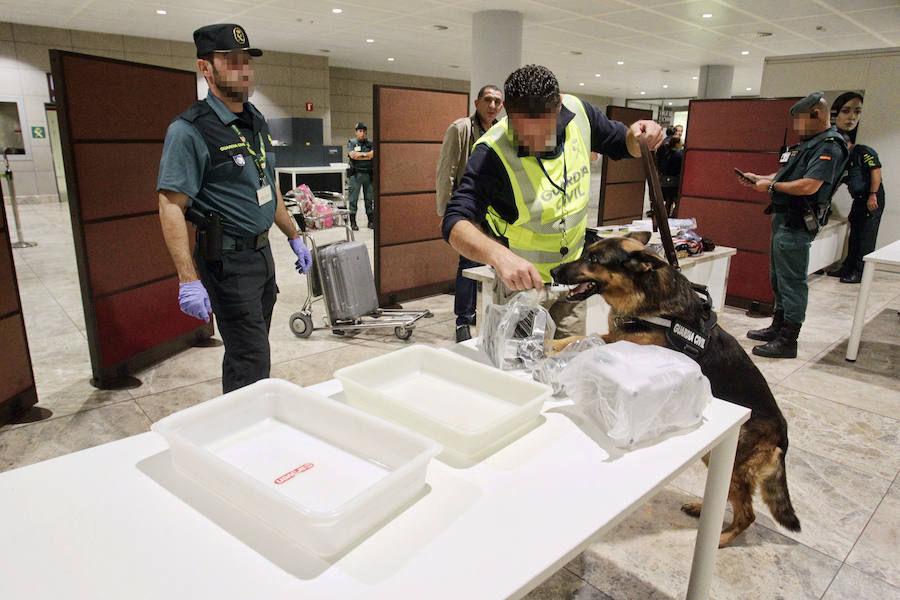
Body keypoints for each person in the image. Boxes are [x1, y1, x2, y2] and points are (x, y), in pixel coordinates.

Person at [442, 64, 663, 338]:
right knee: (518, 367)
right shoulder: (491, 153)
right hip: (520, 286)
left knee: (569, 362)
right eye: (523, 131)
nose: (534, 141)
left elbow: (622, 142)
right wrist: (499, 256)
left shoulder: (580, 113)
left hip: (572, 277)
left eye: (542, 128)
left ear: (558, 105)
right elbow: (454, 221)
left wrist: (640, 136)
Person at [157, 24, 312, 393]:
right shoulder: (190, 130)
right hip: (227, 263)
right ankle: (249, 436)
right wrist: (188, 278)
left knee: (248, 355)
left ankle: (239, 419)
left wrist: (293, 236)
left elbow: (267, 184)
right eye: (231, 61)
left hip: (261, 257)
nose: (243, 69)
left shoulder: (255, 120)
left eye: (247, 61)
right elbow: (170, 205)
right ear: (205, 68)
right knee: (252, 359)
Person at [738, 91, 848, 359]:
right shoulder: (809, 144)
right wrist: (761, 178)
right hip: (783, 218)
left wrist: (771, 186)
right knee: (778, 276)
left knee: (792, 280)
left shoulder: (829, 146)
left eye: (800, 120)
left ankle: (788, 340)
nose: (797, 126)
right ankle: (778, 326)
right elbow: (786, 174)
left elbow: (810, 185)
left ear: (817, 115)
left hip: (798, 221)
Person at [436, 84, 504, 342]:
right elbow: (447, 171)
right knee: (468, 262)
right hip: (469, 207)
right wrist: (447, 212)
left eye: (497, 101)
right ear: (477, 103)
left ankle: (492, 317)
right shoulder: (461, 129)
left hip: (495, 209)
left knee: (495, 263)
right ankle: (463, 319)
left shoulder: (501, 131)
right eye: (488, 100)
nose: (493, 105)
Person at [827, 92, 884, 284]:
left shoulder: (862, 151)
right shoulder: (845, 156)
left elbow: (876, 171)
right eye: (846, 111)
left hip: (871, 198)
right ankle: (847, 266)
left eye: (857, 112)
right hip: (859, 200)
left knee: (866, 236)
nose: (852, 117)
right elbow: (839, 180)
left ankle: (859, 272)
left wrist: (873, 195)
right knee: (855, 233)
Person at [347, 122, 374, 230]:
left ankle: (371, 221)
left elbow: (373, 155)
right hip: (356, 175)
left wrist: (361, 155)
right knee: (353, 199)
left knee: (369, 199)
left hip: (368, 175)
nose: (362, 134)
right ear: (356, 132)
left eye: (364, 131)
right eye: (360, 131)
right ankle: (353, 222)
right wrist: (367, 155)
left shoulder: (370, 143)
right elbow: (352, 155)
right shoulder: (352, 142)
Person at [656, 126, 684, 216]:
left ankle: (665, 219)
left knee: (668, 202)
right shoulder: (680, 155)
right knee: (677, 202)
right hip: (675, 181)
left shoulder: (667, 152)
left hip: (665, 180)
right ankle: (673, 218)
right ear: (677, 144)